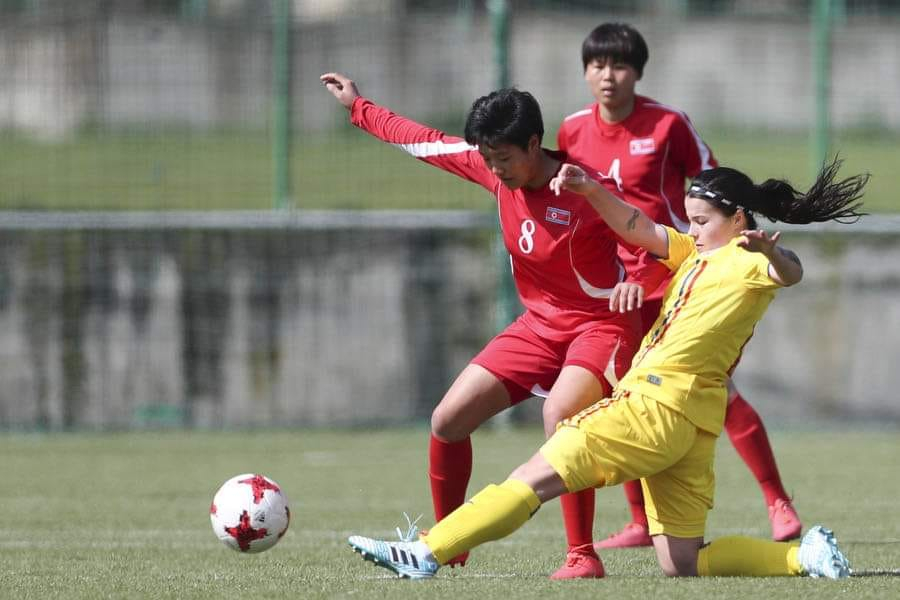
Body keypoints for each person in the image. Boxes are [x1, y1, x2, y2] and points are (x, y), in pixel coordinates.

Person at [346, 156, 867, 581]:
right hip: (694, 424)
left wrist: (771, 255)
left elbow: (791, 273)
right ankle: (804, 558)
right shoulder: (696, 253)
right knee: (681, 562)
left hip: (653, 405)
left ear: (738, 219)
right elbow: (637, 226)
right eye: (690, 219)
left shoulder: (748, 258)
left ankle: (427, 552)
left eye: (703, 220)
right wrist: (590, 189)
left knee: (535, 474)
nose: (693, 229)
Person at [320, 72, 663, 579]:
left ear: (533, 143)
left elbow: (653, 243)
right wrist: (359, 107)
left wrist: (636, 279)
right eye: (487, 157)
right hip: (538, 328)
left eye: (504, 157)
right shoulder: (493, 170)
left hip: (600, 327)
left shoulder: (587, 187)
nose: (494, 168)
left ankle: (582, 555)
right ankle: (446, 545)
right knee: (447, 421)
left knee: (560, 419)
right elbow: (425, 142)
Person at [557, 22, 802, 549]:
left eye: (619, 65)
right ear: (584, 71)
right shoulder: (571, 131)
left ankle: (777, 499)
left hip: (675, 275)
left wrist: (734, 248)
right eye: (598, 65)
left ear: (638, 72)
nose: (608, 76)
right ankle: (643, 521)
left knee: (720, 390)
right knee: (623, 390)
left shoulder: (669, 125)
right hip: (615, 286)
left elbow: (716, 191)